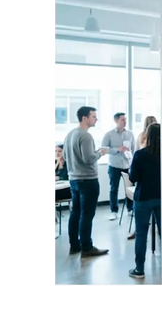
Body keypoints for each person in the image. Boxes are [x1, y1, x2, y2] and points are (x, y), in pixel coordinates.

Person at [64, 106, 110, 257]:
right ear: (85, 118)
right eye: (94, 116)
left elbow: (65, 156)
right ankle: (87, 247)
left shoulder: (70, 134)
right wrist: (100, 153)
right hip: (88, 181)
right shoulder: (86, 136)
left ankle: (75, 246)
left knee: (75, 213)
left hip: (74, 180)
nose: (96, 119)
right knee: (87, 214)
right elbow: (89, 159)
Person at [128, 123, 161, 279]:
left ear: (147, 136)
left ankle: (139, 269)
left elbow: (133, 177)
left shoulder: (140, 155)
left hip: (143, 198)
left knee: (141, 233)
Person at [102, 112, 134, 221]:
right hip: (114, 165)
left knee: (130, 188)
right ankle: (114, 211)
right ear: (116, 121)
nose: (124, 121)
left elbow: (134, 149)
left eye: (125, 119)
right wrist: (117, 150)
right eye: (122, 120)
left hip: (127, 164)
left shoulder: (130, 134)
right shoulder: (109, 134)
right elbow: (103, 149)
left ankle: (130, 209)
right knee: (114, 189)